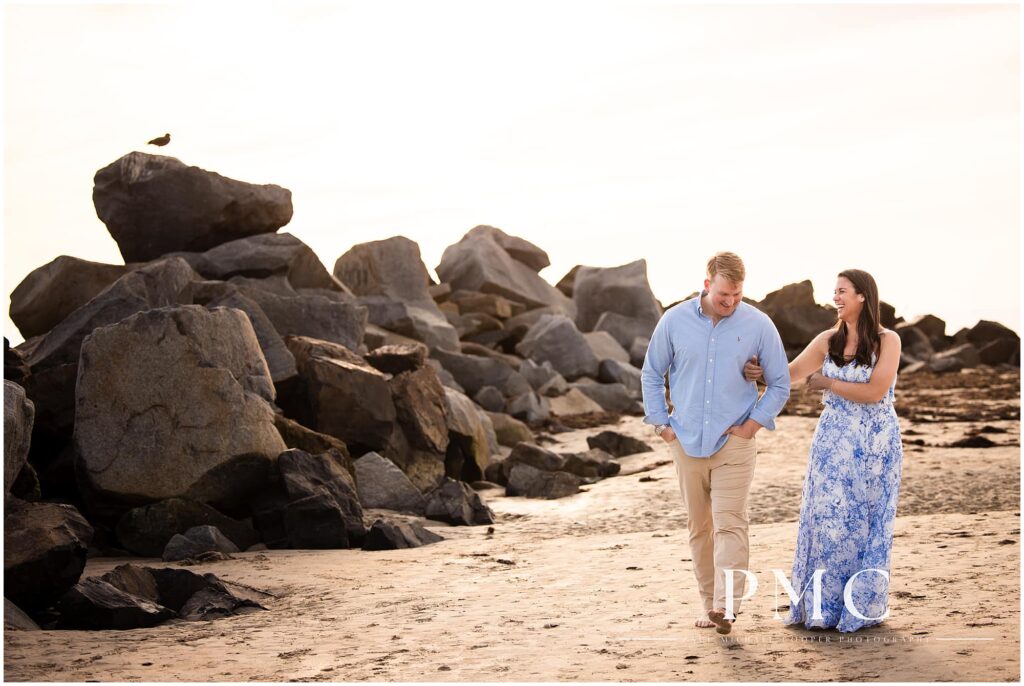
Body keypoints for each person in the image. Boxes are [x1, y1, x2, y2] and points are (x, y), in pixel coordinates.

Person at [744, 269, 903, 632]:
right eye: (835, 291)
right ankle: (823, 609)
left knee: (866, 525)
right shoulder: (827, 340)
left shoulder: (886, 340)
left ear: (863, 295)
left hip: (877, 444)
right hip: (833, 443)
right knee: (829, 521)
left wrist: (829, 382)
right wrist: (757, 371)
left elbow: (876, 392)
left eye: (842, 291)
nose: (836, 297)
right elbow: (787, 374)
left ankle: (860, 607)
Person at [641, 252, 790, 635]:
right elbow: (652, 373)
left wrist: (752, 425)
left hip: (734, 442)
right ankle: (708, 603)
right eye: (724, 295)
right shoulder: (673, 321)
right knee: (699, 527)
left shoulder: (758, 325)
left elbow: (780, 383)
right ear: (707, 284)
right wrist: (662, 425)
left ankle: (726, 607)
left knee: (731, 524)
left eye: (738, 295)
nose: (731, 302)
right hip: (685, 441)